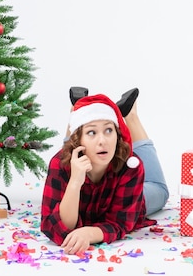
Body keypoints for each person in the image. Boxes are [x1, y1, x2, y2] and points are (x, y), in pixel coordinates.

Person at [40, 88, 169, 254]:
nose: (103, 141)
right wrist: (75, 182)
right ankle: (77, 112)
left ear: (117, 134)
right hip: (76, 157)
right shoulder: (60, 164)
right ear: (78, 140)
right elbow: (55, 228)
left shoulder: (130, 165)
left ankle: (130, 116)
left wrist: (90, 233)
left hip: (130, 197)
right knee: (70, 151)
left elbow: (121, 222)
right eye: (91, 132)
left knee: (159, 190)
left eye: (109, 130)